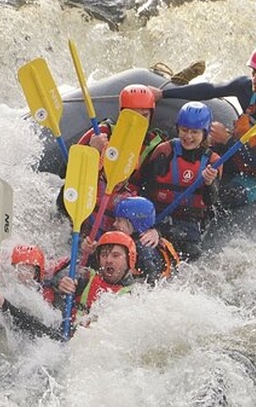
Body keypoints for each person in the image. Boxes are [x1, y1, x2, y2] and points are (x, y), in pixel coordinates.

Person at [149, 41, 256, 215]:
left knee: (227, 196)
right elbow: (209, 90)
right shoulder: (248, 87)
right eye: (254, 72)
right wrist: (163, 94)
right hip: (239, 151)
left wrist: (227, 140)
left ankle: (194, 222)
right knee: (190, 159)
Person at [56, 84, 168, 236]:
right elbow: (65, 172)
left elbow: (153, 196)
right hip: (87, 202)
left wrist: (156, 230)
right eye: (132, 115)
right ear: (122, 114)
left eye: (144, 116)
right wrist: (92, 150)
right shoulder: (102, 133)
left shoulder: (155, 146)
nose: (137, 121)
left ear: (151, 116)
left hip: (122, 214)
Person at [0, 233, 136, 340]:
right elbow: (62, 274)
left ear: (130, 259)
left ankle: (5, 306)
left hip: (84, 346)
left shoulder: (133, 297)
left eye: (116, 255)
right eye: (104, 255)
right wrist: (62, 282)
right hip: (61, 333)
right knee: (45, 333)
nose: (108, 260)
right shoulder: (87, 276)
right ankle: (4, 306)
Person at [137, 101, 220, 261]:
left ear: (204, 133)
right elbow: (145, 189)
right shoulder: (164, 151)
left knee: (192, 251)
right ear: (178, 129)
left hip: (189, 222)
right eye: (184, 130)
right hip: (158, 214)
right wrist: (147, 223)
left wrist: (210, 183)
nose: (188, 137)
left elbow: (211, 200)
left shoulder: (213, 161)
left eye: (194, 132)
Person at [111, 196, 180, 283]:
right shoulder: (131, 241)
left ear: (135, 222)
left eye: (119, 220)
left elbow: (152, 279)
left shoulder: (143, 247)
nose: (114, 224)